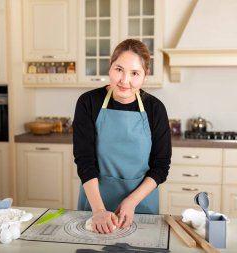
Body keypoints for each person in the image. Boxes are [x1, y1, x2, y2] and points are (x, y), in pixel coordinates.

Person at [73, 39, 171, 234]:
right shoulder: (88, 103)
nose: (124, 80)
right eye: (119, 69)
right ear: (110, 68)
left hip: (141, 206)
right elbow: (85, 161)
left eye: (135, 73)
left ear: (145, 76)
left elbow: (161, 166)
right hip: (95, 204)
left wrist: (131, 201)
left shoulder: (155, 109)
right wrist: (99, 210)